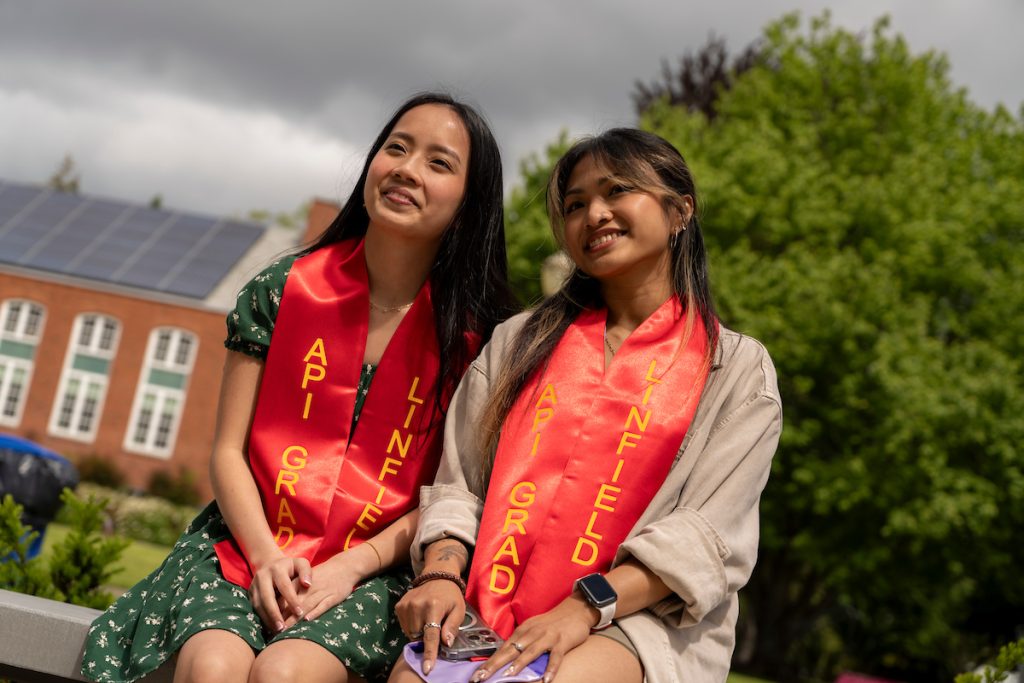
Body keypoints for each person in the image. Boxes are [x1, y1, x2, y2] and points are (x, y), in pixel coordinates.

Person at [80, 92, 516, 683]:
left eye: (439, 163)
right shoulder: (285, 290)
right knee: (212, 666)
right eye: (396, 148)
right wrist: (264, 557)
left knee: (287, 673)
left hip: (375, 569)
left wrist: (349, 568)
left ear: (470, 204)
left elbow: (450, 494)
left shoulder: (479, 343)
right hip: (246, 544)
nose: (407, 169)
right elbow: (228, 451)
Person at [391, 128, 782, 683]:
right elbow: (460, 486)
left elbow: (704, 537)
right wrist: (442, 574)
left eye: (617, 190)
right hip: (485, 599)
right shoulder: (518, 343)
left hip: (639, 619)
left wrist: (581, 609)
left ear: (680, 211)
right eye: (575, 205)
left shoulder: (737, 371)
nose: (595, 214)